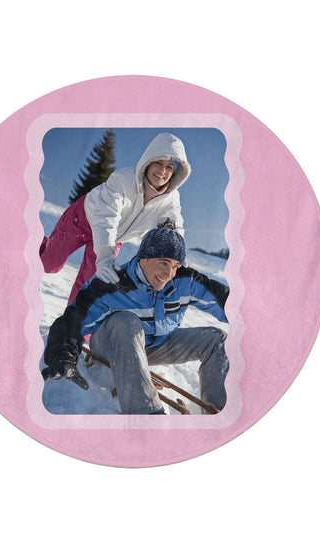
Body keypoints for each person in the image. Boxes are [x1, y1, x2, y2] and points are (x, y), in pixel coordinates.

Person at [41, 220, 230, 415]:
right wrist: (63, 358)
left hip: (155, 344)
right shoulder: (112, 284)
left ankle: (218, 415)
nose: (168, 273)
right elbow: (71, 322)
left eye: (175, 266)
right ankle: (147, 415)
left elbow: (227, 302)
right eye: (163, 263)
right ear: (144, 258)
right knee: (127, 321)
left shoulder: (184, 281)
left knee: (217, 340)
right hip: (111, 342)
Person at [40, 132, 191, 303]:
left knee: (90, 284)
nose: (162, 171)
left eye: (169, 167)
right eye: (158, 162)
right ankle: (34, 243)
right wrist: (104, 257)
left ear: (175, 172)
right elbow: (106, 218)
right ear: (148, 161)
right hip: (82, 220)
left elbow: (174, 227)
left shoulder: (171, 199)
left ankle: (74, 320)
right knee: (49, 265)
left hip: (114, 238)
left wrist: (177, 255)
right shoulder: (123, 179)